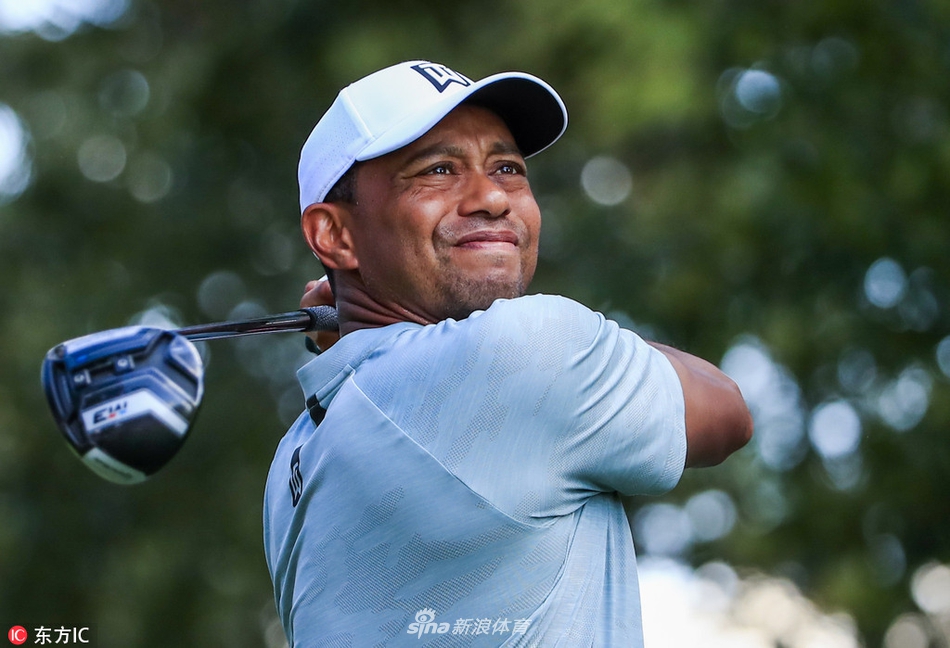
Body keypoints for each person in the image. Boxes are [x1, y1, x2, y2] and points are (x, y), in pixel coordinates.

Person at [263, 60, 753, 647]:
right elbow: (727, 410)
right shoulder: (526, 352)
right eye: (438, 171)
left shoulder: (295, 456)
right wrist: (589, 343)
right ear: (335, 236)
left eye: (507, 168)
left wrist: (361, 322)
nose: (492, 197)